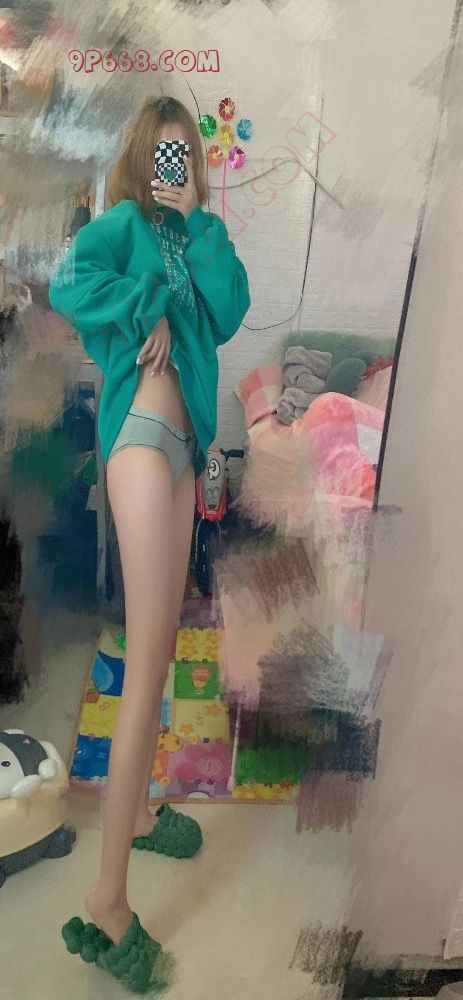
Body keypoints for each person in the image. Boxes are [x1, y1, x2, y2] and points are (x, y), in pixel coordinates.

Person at [48, 94, 251, 986]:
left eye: (185, 155)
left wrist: (196, 223)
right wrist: (146, 308)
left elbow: (230, 309)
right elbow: (70, 280)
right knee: (139, 670)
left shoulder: (200, 234)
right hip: (138, 439)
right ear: (141, 157)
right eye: (162, 154)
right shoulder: (123, 226)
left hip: (183, 451)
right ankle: (108, 901)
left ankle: (134, 817)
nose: (174, 166)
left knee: (161, 651)